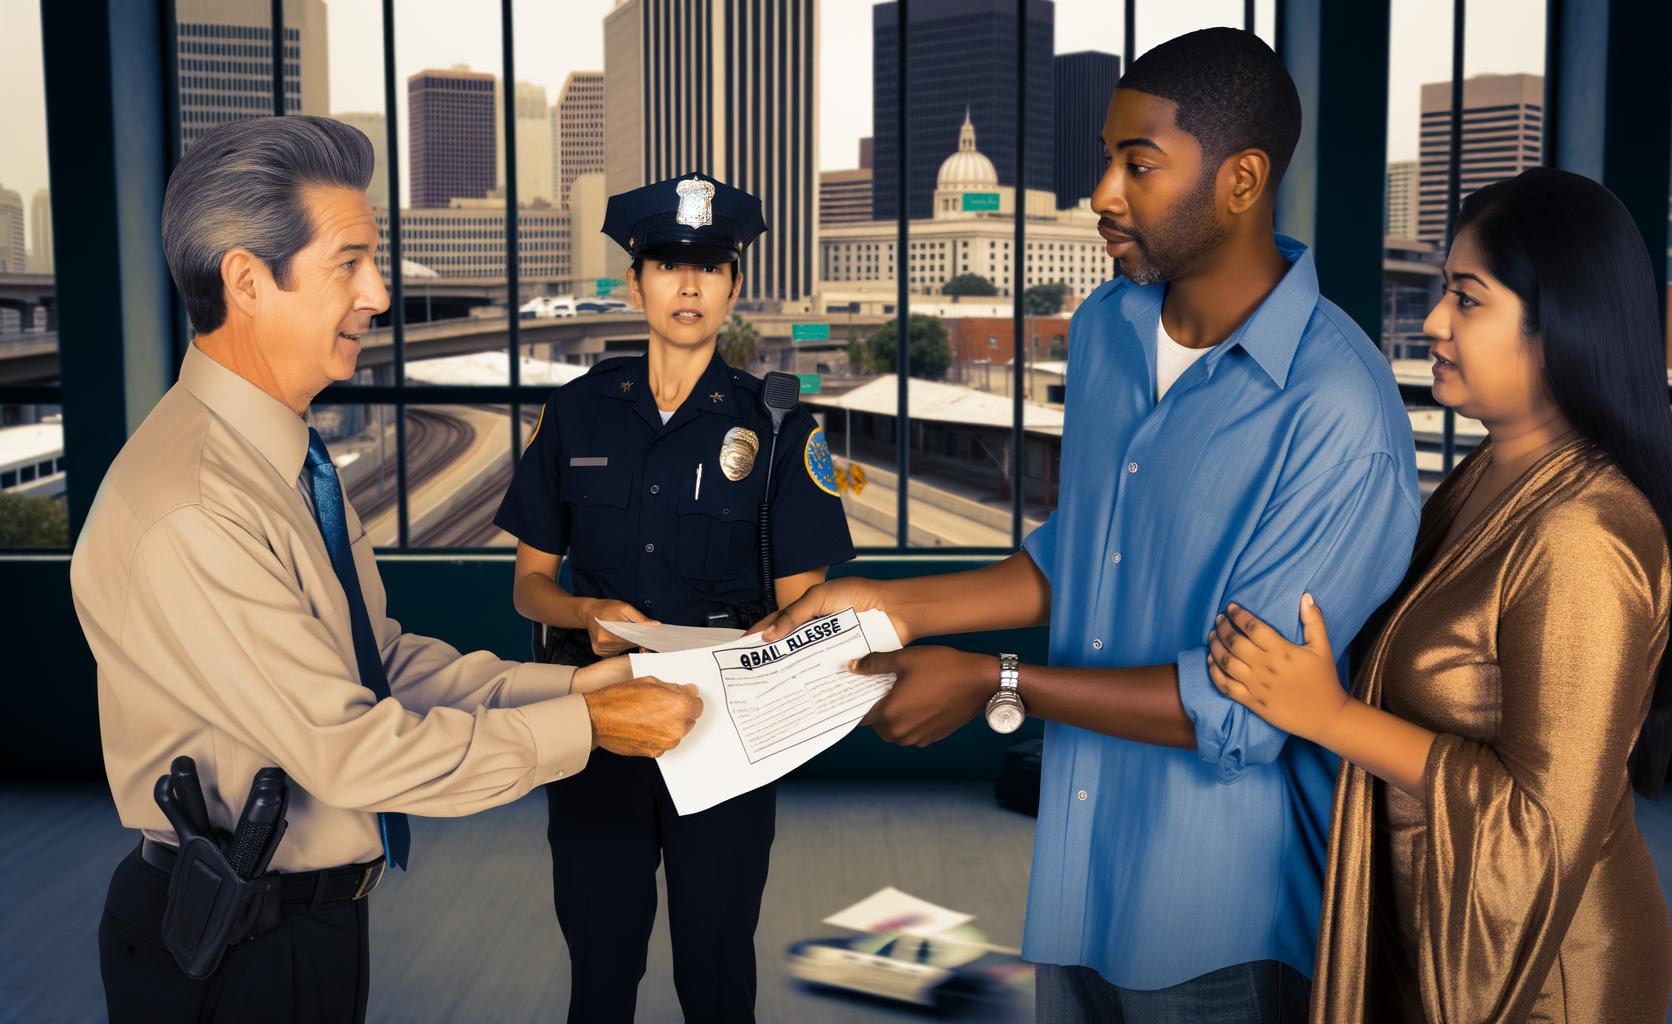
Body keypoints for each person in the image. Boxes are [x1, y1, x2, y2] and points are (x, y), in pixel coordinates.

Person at [758, 29, 1419, 1023]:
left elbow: (1241, 706)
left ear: (1241, 182)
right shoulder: (1108, 330)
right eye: (1105, 159)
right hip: (1074, 892)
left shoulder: (1338, 410)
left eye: (1137, 165)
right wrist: (893, 605)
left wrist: (994, 679)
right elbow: (1081, 561)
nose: (1102, 194)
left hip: (1221, 925)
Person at [69, 115, 702, 1022]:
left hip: (297, 924)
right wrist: (589, 729)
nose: (378, 292)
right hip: (232, 950)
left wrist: (583, 687)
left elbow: (379, 664)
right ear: (248, 281)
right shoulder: (198, 506)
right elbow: (351, 750)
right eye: (350, 263)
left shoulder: (276, 465)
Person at [1205, 168, 1672, 1023]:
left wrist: (1330, 716)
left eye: (1468, 300)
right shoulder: (1489, 475)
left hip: (1549, 974)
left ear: (1564, 327)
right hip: (1441, 926)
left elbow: (1541, 831)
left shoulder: (1584, 534)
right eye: (1444, 292)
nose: (1435, 323)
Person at [494, 172, 857, 1022]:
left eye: (708, 266)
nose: (687, 284)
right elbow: (529, 588)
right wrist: (585, 613)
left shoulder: (780, 431)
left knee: (718, 970)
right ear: (636, 282)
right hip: (598, 721)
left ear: (733, 285)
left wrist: (748, 646)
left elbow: (808, 608)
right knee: (600, 967)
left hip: (723, 728)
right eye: (666, 264)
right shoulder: (576, 415)